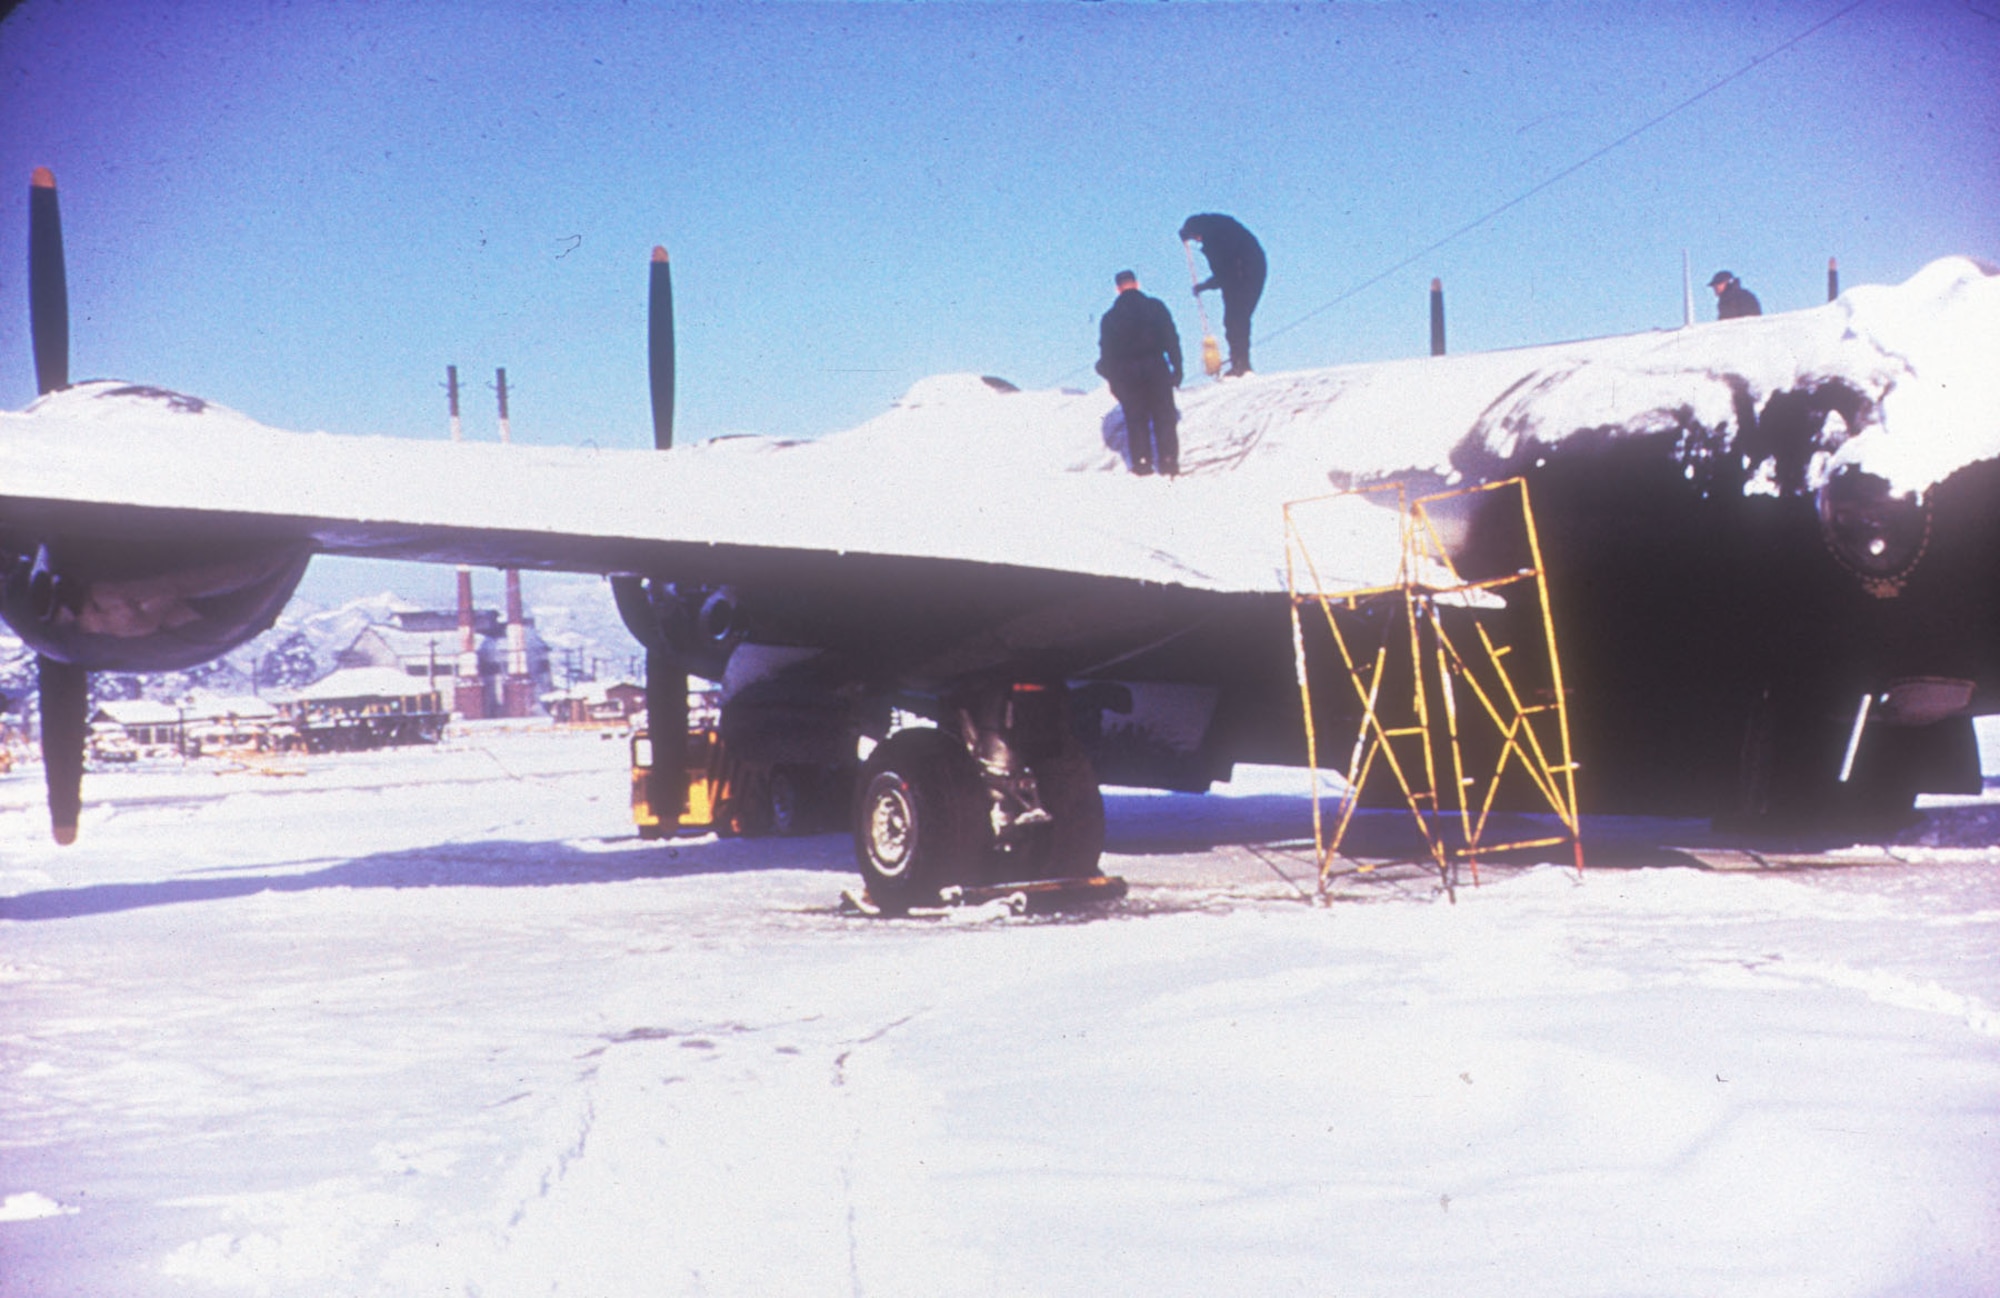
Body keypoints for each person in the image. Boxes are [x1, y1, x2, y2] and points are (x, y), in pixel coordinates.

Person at [1096, 270, 1183, 476]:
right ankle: (1169, 460)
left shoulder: (1110, 318)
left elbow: (1106, 354)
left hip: (1126, 372)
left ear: (1117, 289)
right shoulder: (1155, 307)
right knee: (1164, 415)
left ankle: (1142, 462)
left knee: (1135, 418)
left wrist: (1114, 382)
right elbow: (1171, 338)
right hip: (1156, 366)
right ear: (1137, 284)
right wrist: (1177, 367)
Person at [1179, 214, 1266, 376]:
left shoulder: (1215, 240)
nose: (1197, 241)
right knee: (1236, 319)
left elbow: (1226, 272)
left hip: (1243, 275)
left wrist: (1205, 285)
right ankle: (1240, 361)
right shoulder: (1218, 229)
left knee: (1236, 319)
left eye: (1196, 237)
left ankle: (1241, 364)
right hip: (1250, 270)